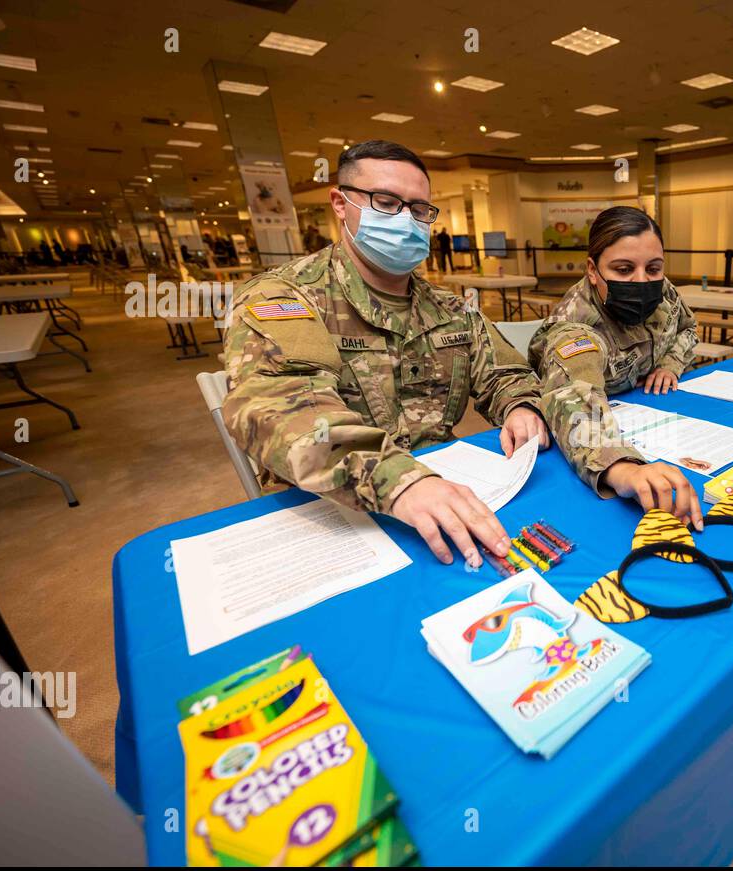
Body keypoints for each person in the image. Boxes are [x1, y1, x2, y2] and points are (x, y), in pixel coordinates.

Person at [222, 139, 549, 567]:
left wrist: (520, 406)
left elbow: (505, 373)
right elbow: (284, 410)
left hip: (448, 497)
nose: (406, 220)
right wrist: (400, 480)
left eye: (418, 210)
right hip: (333, 515)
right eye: (386, 202)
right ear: (341, 203)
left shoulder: (449, 308)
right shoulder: (288, 297)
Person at [529, 206, 703, 528]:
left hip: (652, 413)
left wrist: (669, 363)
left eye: (653, 268)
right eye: (623, 270)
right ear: (593, 271)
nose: (642, 281)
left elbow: (688, 329)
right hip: (588, 440)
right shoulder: (576, 326)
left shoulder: (663, 291)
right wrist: (623, 468)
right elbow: (573, 398)